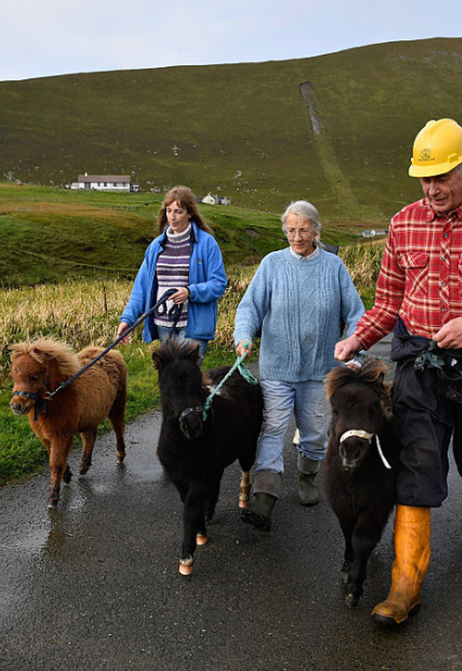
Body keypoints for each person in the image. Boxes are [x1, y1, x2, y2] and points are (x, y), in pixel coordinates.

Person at [333, 118, 462, 626]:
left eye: (442, 177)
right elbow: (387, 303)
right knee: (415, 465)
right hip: (419, 368)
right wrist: (357, 338)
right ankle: (405, 585)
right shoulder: (402, 223)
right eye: (425, 179)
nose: (433, 190)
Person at [235, 200, 365, 531]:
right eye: (291, 230)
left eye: (303, 230)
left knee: (316, 433)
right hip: (277, 367)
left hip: (320, 369)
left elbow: (355, 314)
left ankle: (308, 475)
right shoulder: (272, 265)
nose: (296, 236)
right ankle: (265, 497)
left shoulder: (334, 268)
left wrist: (353, 349)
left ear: (316, 231)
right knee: (274, 428)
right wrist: (244, 335)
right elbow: (250, 306)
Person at [118, 186, 226, 362]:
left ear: (189, 213)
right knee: (170, 381)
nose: (172, 217)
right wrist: (127, 320)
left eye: (178, 211)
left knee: (186, 381)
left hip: (193, 327)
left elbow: (219, 283)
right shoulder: (155, 247)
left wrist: (190, 292)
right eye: (169, 211)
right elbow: (141, 289)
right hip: (163, 326)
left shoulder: (207, 244)